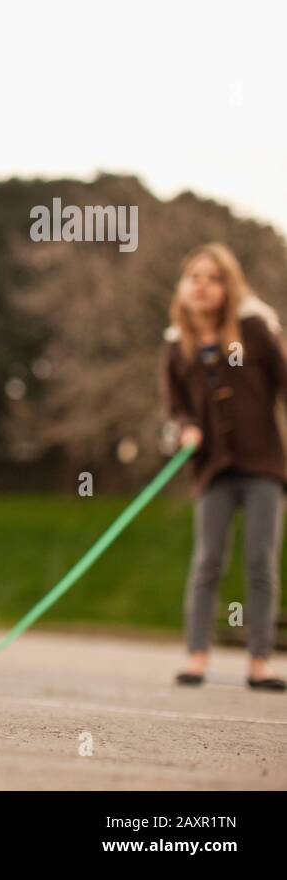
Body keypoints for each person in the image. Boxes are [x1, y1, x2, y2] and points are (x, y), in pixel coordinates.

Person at [162, 243, 286, 692]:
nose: (202, 285)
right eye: (194, 276)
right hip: (211, 468)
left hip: (263, 465)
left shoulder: (254, 330)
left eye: (213, 278)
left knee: (260, 561)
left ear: (227, 286)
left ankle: (259, 662)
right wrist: (188, 427)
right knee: (207, 561)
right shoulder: (177, 346)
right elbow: (176, 406)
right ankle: (197, 657)